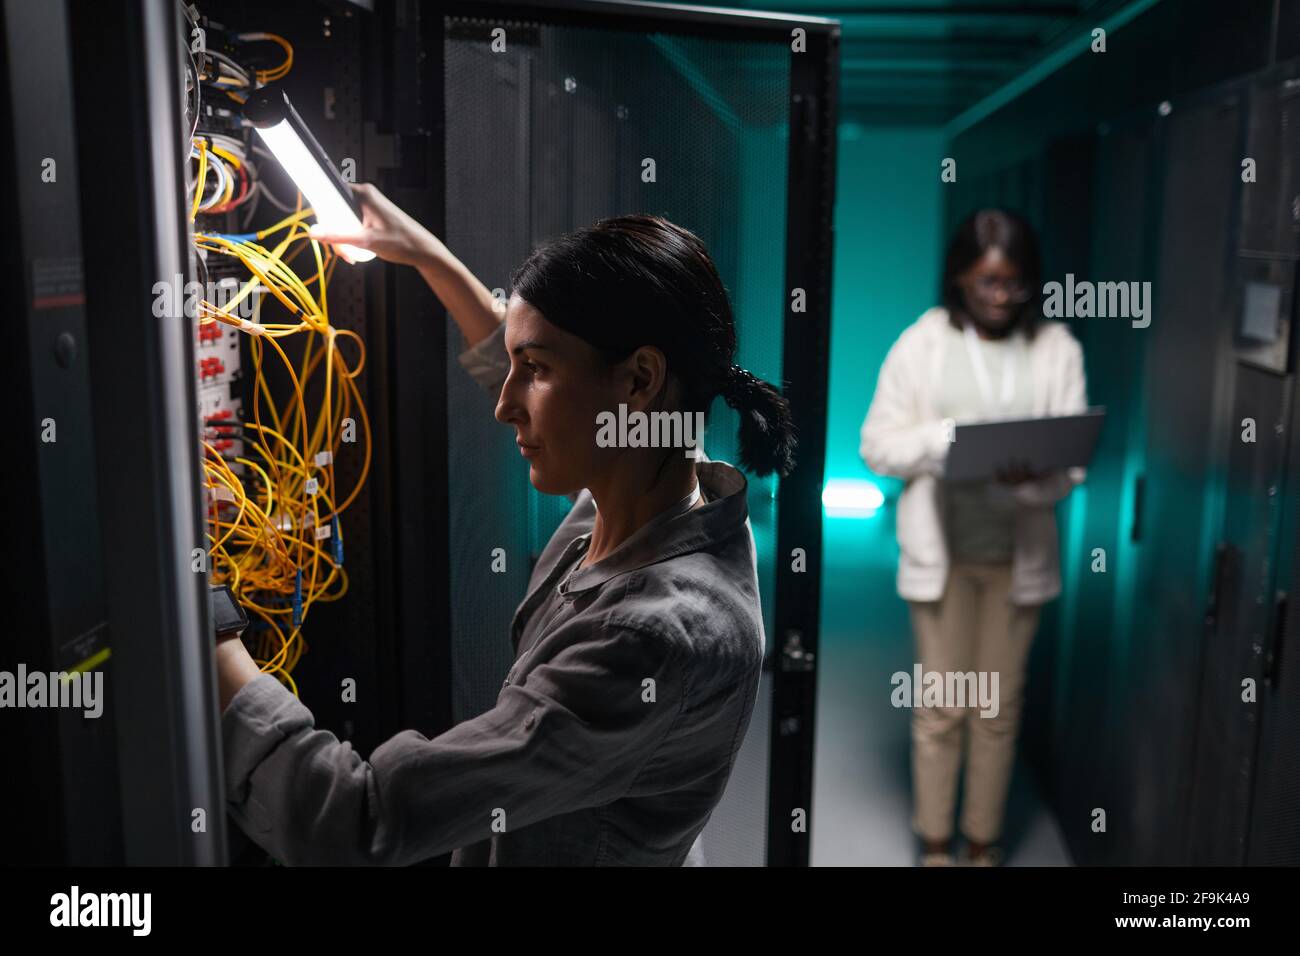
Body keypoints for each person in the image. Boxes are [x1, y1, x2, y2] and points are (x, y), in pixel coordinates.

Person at [214, 184, 797, 865]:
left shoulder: (650, 638)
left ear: (638, 381)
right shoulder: (657, 474)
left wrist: (210, 636)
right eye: (515, 364)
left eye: (536, 369)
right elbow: (539, 368)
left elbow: (356, 820)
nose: (504, 405)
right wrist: (430, 258)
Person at [859, 208, 1088, 867]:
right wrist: (945, 442)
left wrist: (1027, 477)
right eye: (985, 282)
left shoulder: (1057, 347)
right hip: (944, 556)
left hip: (1018, 560)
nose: (998, 297)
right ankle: (935, 844)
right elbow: (877, 445)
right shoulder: (922, 343)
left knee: (996, 708)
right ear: (960, 276)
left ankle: (982, 844)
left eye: (1013, 284)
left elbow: (1070, 463)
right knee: (942, 705)